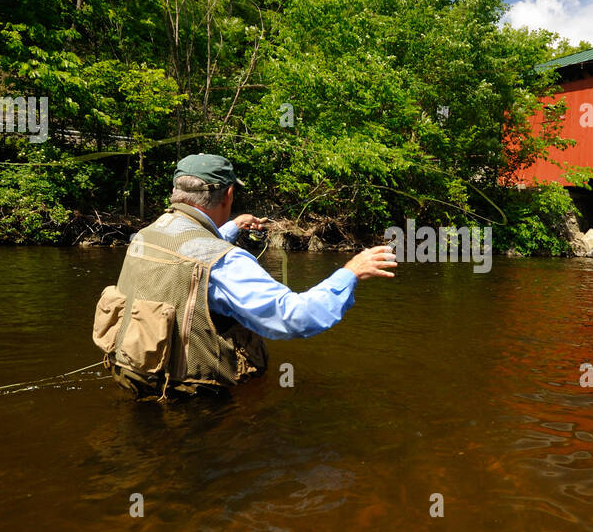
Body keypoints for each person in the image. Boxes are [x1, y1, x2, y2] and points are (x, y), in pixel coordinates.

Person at [92, 153, 397, 399]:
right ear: (228, 194)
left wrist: (234, 226)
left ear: (177, 192)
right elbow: (292, 317)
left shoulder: (145, 236)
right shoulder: (227, 262)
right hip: (194, 400)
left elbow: (191, 249)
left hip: (135, 379)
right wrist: (349, 273)